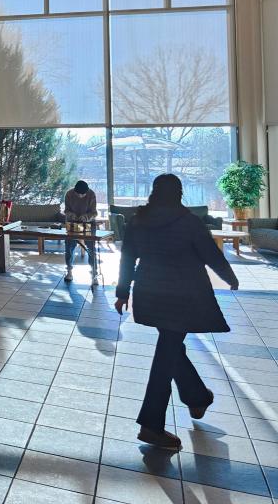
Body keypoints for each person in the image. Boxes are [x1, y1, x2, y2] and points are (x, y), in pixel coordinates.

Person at [115, 174, 239, 450]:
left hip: (149, 293)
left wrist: (123, 292)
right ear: (178, 194)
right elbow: (210, 253)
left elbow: (127, 257)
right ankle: (151, 425)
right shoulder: (188, 222)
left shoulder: (138, 220)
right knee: (166, 353)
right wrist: (230, 276)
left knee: (170, 348)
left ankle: (197, 396)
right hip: (182, 297)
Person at [64, 180, 99, 285]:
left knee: (91, 248)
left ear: (87, 192)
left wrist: (86, 217)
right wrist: (71, 215)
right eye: (78, 194)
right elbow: (66, 210)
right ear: (74, 191)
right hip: (73, 223)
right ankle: (69, 271)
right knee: (69, 247)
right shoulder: (69, 194)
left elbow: (94, 212)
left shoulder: (91, 194)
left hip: (88, 224)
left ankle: (94, 274)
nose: (80, 196)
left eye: (83, 194)